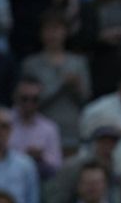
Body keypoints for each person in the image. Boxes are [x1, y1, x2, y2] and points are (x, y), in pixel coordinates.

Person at [19, 10, 92, 156]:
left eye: (57, 29)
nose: (53, 34)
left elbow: (86, 98)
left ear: (65, 32)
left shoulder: (78, 62)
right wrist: (61, 84)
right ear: (41, 33)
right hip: (40, 130)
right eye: (48, 29)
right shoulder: (31, 64)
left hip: (72, 129)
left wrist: (76, 88)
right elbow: (29, 100)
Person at [9, 77, 63, 180]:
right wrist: (24, 156)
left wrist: (41, 157)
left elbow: (57, 165)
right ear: (15, 98)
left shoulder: (50, 128)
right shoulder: (4, 122)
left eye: (35, 99)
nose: (29, 104)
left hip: (40, 178)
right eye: (24, 99)